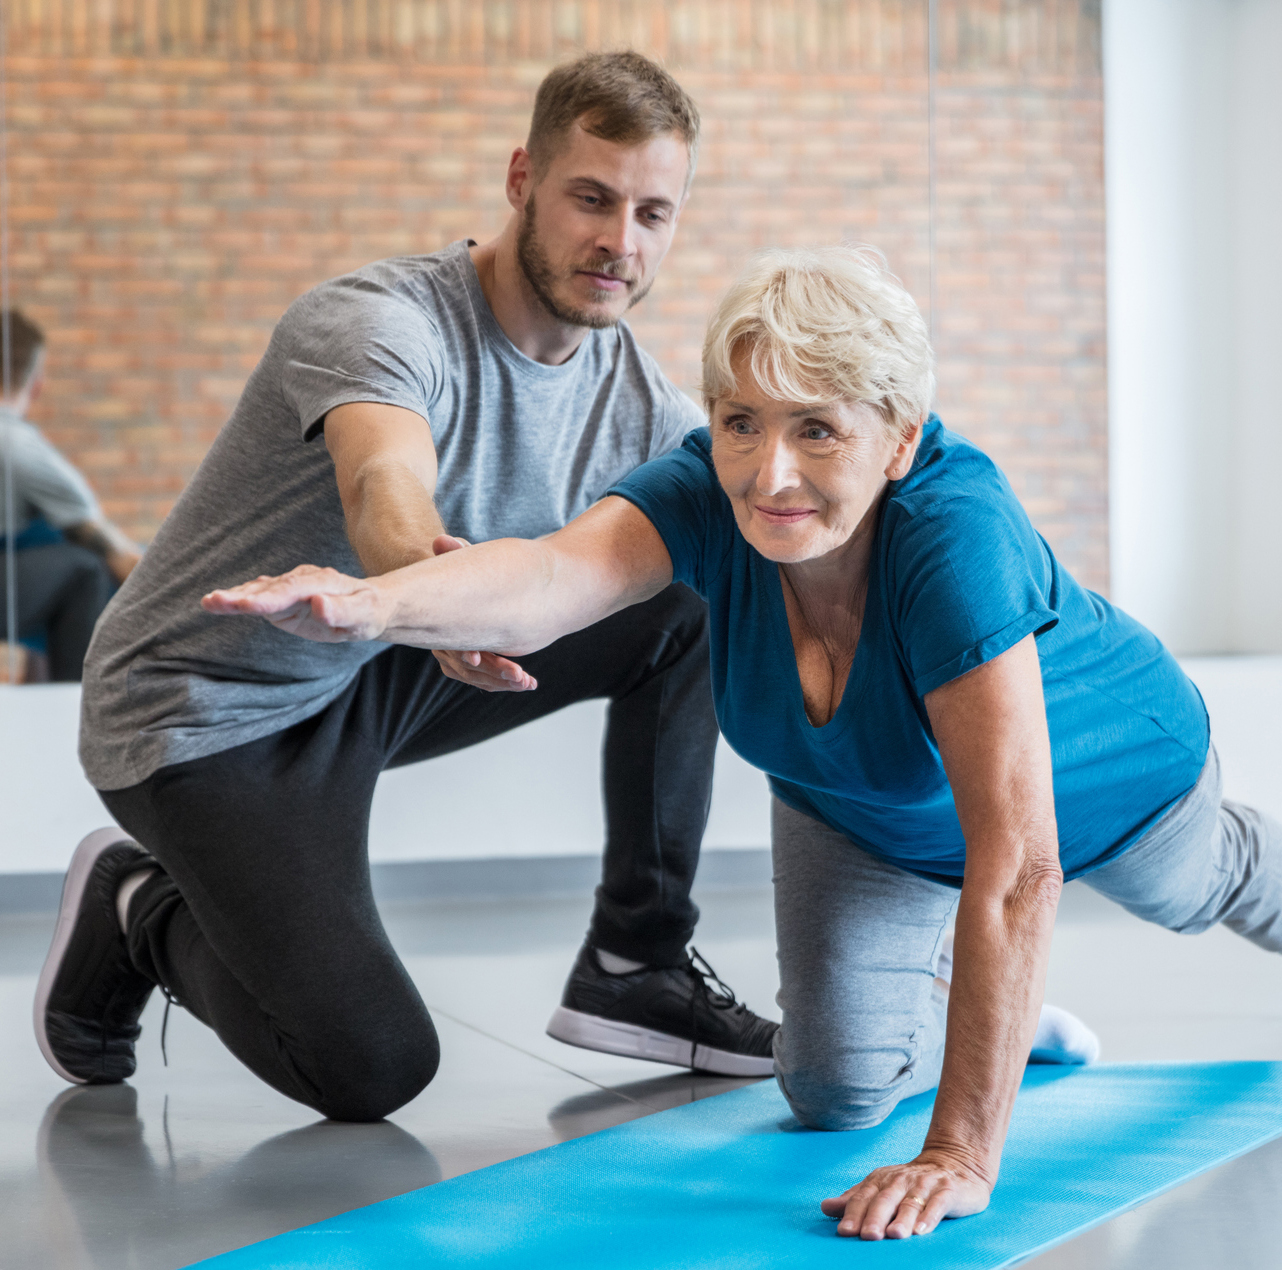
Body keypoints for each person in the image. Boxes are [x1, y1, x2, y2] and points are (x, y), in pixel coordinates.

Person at [198, 245, 1282, 1238]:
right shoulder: (705, 494)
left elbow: (1017, 866)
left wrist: (963, 1150)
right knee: (828, 1093)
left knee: (1191, 887)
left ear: (897, 437)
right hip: (856, 802)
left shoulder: (953, 539)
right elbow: (551, 578)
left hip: (1103, 781)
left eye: (817, 430)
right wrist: (372, 603)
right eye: (738, 423)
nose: (769, 474)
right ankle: (1004, 1016)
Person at [34, 52, 777, 1124]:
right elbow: (386, 482)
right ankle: (138, 901)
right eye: (590, 199)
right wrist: (405, 594)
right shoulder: (381, 321)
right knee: (372, 1068)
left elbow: (766, 522)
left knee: (692, 595)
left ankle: (636, 961)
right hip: (201, 711)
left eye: (652, 212)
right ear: (521, 178)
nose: (620, 242)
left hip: (365, 674)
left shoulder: (637, 403)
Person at [1, 309, 141, 681]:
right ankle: (73, 706)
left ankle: (38, 693)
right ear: (36, 382)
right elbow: (113, 551)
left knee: (48, 554)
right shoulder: (16, 445)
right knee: (85, 570)